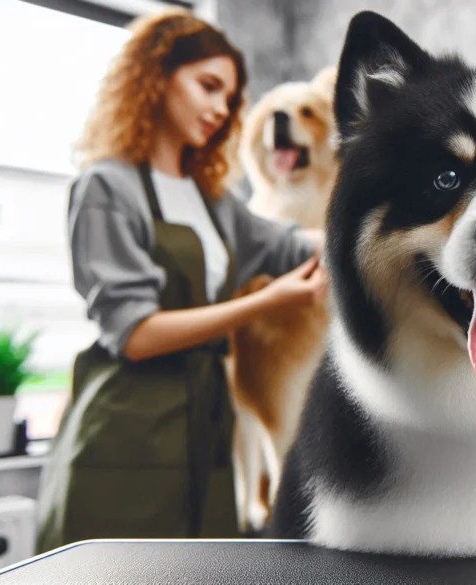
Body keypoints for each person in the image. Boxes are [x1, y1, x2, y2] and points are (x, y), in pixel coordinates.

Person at [35, 9, 327, 552]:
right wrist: (260, 307)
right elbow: (136, 334)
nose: (220, 109)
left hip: (204, 431)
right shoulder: (105, 188)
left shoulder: (210, 200)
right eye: (208, 86)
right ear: (156, 76)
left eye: (229, 96)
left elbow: (289, 244)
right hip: (129, 433)